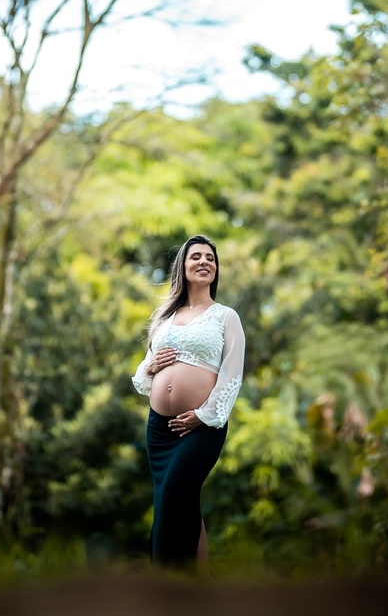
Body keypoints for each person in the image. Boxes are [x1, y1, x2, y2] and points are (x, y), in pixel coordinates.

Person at [132, 235, 245, 574]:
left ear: (216, 269)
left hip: (201, 427)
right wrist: (151, 368)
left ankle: (171, 583)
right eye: (196, 256)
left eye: (210, 258)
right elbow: (144, 371)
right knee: (179, 504)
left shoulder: (226, 317)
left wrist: (204, 415)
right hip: (160, 430)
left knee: (175, 498)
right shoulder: (166, 318)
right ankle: (199, 586)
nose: (204, 262)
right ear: (183, 266)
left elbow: (232, 374)